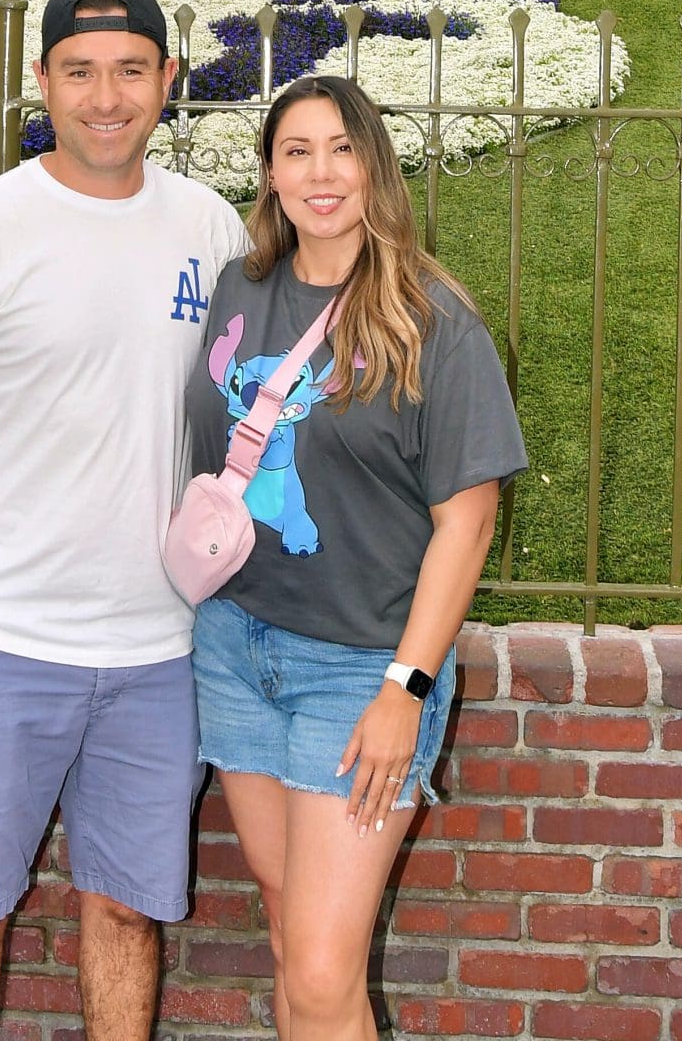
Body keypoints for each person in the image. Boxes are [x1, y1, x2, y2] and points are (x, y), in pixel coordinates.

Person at [0, 0, 248, 1041]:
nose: (106, 97)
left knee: (127, 913)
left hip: (159, 651)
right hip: (0, 639)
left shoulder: (211, 228)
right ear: (41, 81)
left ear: (168, 79)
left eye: (130, 70)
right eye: (80, 72)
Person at [183, 73, 527, 1041]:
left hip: (360, 670)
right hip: (235, 645)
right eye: (297, 152)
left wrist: (404, 691)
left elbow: (468, 524)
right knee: (292, 944)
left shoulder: (433, 319)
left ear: (375, 167)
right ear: (270, 174)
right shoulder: (242, 289)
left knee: (324, 971)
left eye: (342, 149)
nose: (321, 173)